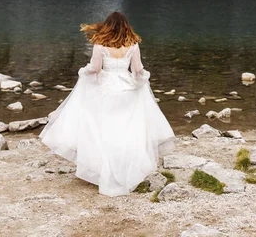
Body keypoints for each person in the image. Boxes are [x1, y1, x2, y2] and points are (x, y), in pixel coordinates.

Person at [40, 11, 175, 196]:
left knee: (104, 129)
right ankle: (127, 168)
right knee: (127, 128)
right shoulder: (133, 45)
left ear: (108, 26)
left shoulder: (100, 44)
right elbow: (137, 70)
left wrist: (84, 73)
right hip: (126, 89)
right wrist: (143, 79)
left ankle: (104, 169)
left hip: (107, 89)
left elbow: (95, 69)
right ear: (126, 26)